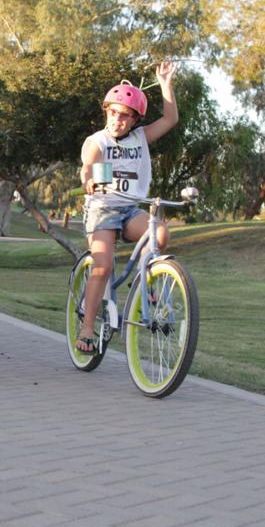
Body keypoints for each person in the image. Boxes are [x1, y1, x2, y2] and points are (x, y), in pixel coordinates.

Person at [75, 61, 180, 354]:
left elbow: (170, 119)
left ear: (135, 120)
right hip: (102, 209)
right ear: (107, 111)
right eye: (114, 113)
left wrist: (165, 84)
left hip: (131, 209)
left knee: (159, 234)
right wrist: (89, 181)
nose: (118, 120)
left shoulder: (141, 137)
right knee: (103, 266)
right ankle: (86, 329)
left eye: (126, 116)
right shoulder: (97, 142)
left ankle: (143, 289)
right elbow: (88, 167)